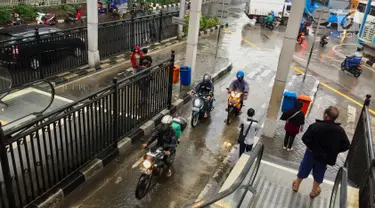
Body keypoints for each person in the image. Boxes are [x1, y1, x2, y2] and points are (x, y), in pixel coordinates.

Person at [292, 106, 350, 199]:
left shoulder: (316, 126)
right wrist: (334, 150)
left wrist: (312, 147)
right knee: (319, 173)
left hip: (311, 153)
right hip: (325, 157)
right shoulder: (339, 130)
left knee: (304, 167)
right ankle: (313, 192)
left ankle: (296, 185)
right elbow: (346, 145)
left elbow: (305, 138)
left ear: (326, 115)